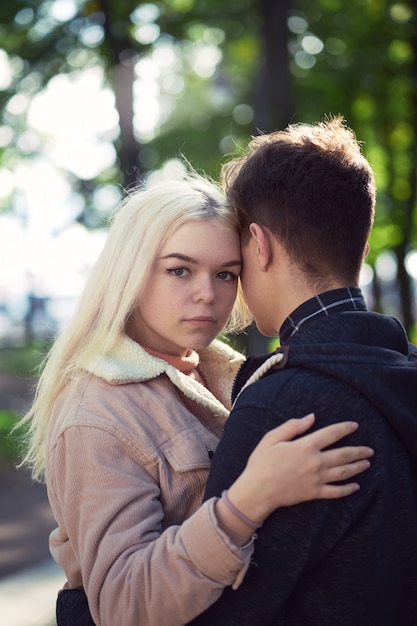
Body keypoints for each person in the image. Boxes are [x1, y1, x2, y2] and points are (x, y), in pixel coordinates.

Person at [17, 169, 373, 626]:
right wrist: (247, 501)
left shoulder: (229, 374)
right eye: (179, 270)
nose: (207, 294)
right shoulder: (96, 412)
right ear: (130, 272)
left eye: (226, 273)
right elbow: (123, 604)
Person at [187, 117, 417, 626]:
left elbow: (207, 613)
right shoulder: (403, 371)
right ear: (358, 241)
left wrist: (80, 599)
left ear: (259, 245)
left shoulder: (282, 409)